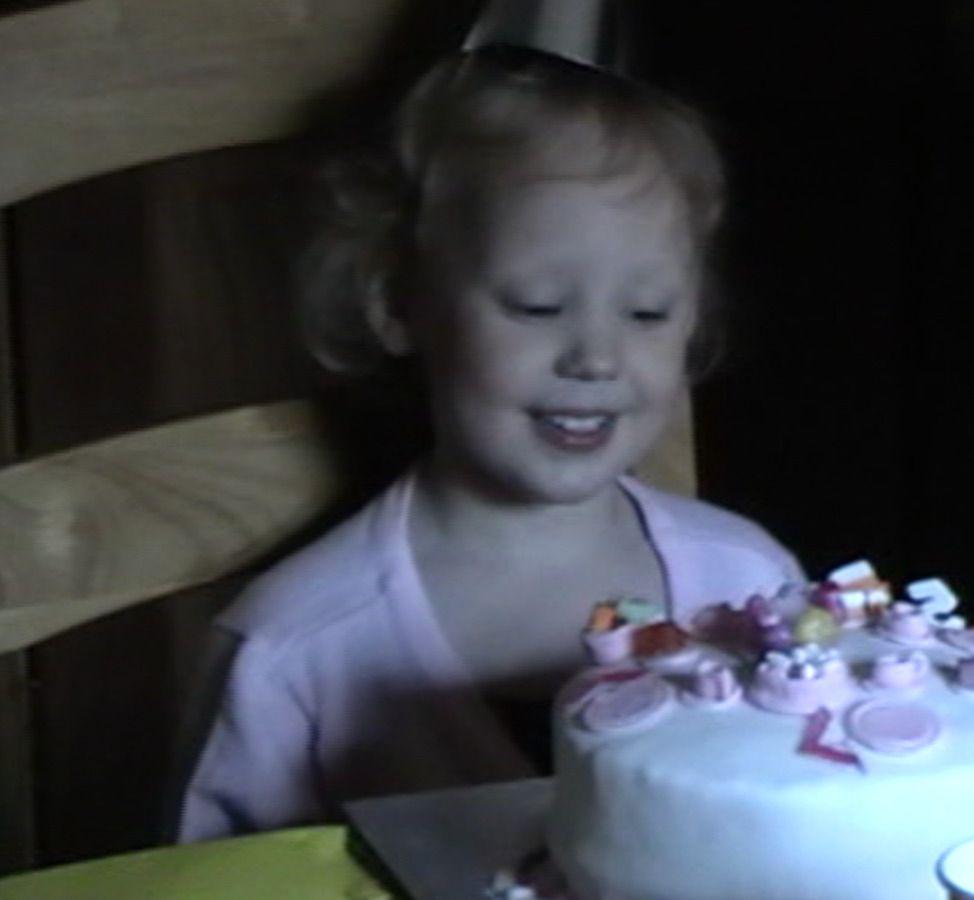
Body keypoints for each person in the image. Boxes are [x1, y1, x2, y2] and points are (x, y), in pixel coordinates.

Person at [176, 45, 801, 841]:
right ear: (400, 303)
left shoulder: (751, 586)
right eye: (538, 306)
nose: (596, 357)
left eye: (646, 312)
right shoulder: (291, 652)